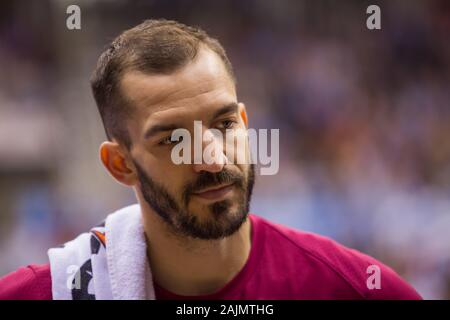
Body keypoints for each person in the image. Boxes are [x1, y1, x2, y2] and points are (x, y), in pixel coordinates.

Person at [0, 19, 421, 300]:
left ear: (243, 121)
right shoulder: (51, 291)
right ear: (120, 165)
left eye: (223, 125)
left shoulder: (354, 288)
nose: (212, 158)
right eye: (173, 139)